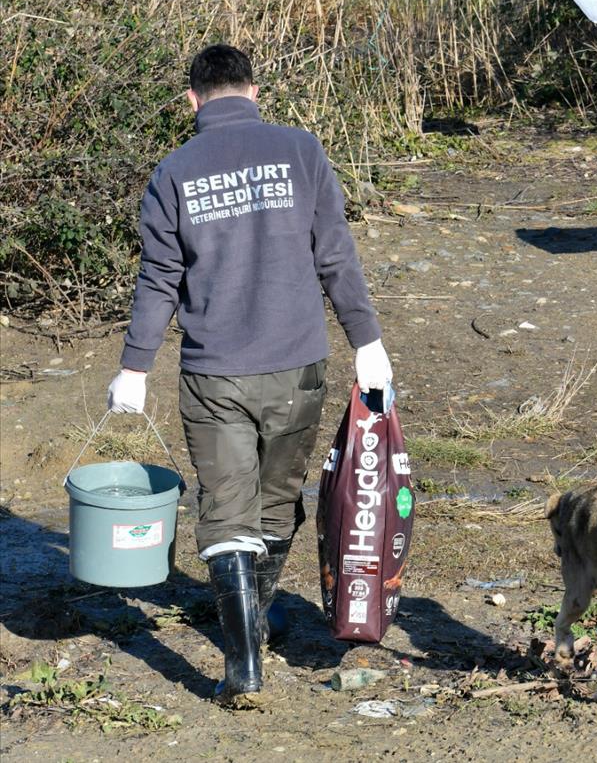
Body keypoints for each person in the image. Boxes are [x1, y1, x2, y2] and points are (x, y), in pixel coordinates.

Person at [107, 44, 392, 706]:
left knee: (225, 507)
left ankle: (244, 663)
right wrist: (368, 342)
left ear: (192, 101)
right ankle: (256, 618)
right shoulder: (302, 151)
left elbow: (157, 280)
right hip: (298, 365)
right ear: (255, 91)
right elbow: (337, 256)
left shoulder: (173, 172)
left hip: (215, 373)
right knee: (275, 500)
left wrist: (134, 367)